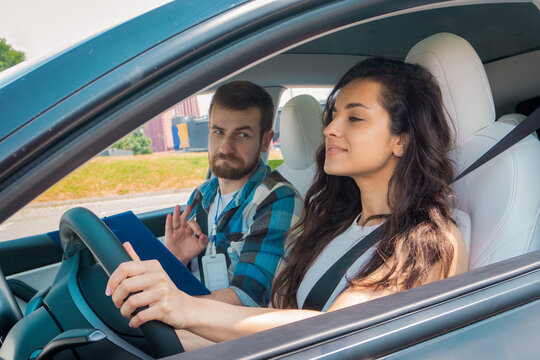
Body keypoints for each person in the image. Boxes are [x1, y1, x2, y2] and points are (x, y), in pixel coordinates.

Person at [106, 58, 469, 348]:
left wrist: (186, 307)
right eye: (333, 115)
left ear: (402, 140)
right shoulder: (338, 224)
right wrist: (156, 325)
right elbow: (280, 316)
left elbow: (340, 328)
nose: (330, 128)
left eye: (354, 118)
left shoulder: (429, 240)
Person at [163, 80, 302, 307]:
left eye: (242, 135)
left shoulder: (278, 200)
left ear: (265, 141)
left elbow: (248, 300)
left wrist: (173, 306)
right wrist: (177, 260)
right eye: (218, 132)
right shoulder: (202, 195)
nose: (225, 147)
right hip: (194, 322)